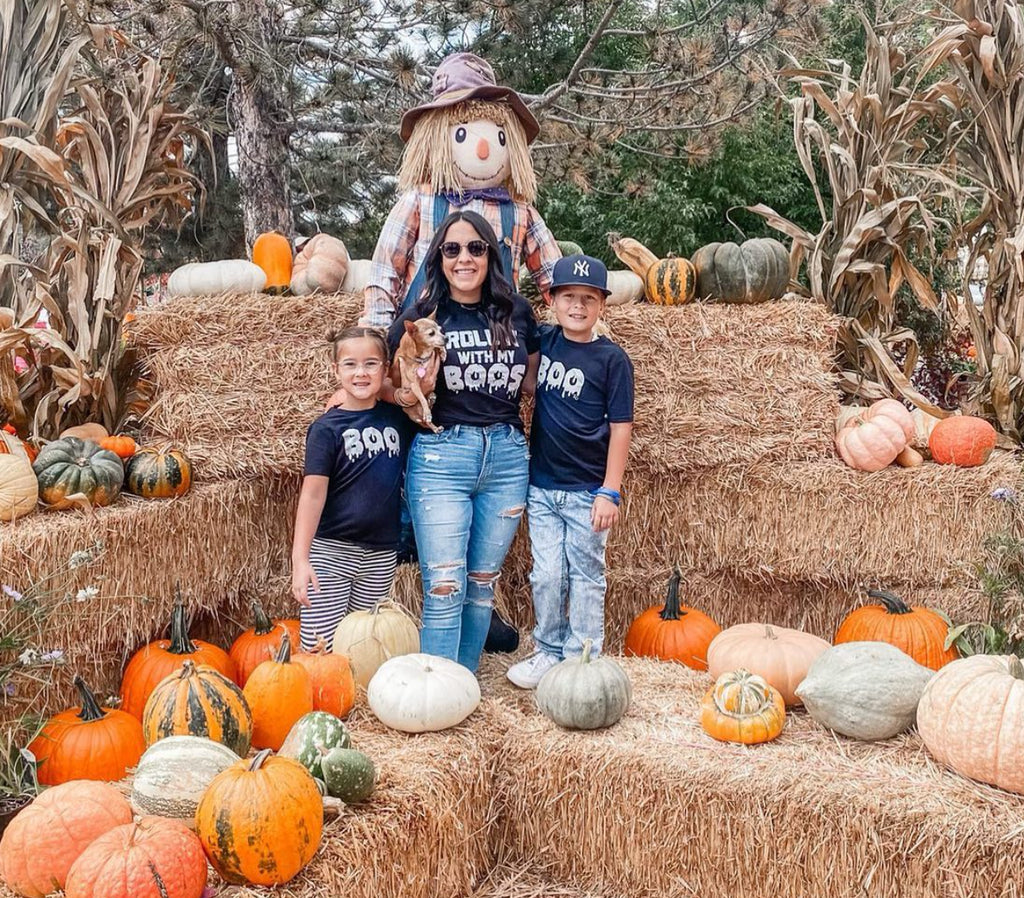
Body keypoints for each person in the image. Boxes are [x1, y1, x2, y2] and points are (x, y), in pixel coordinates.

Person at [388, 209, 540, 672]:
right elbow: (382, 379)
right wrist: (408, 394)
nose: (464, 258)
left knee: (480, 586)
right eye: (451, 249)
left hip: (508, 458)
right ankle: (438, 689)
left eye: (475, 247)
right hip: (442, 456)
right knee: (443, 585)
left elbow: (534, 381)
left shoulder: (517, 313)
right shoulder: (419, 319)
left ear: (490, 254)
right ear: (439, 258)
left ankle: (464, 684)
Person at [507, 254, 635, 688]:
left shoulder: (612, 360)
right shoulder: (547, 342)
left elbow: (621, 429)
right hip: (542, 487)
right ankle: (547, 649)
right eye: (568, 298)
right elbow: (524, 366)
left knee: (585, 576)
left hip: (586, 492)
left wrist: (610, 491)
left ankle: (583, 656)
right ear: (553, 301)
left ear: (601, 304)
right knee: (545, 575)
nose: (577, 307)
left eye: (587, 299)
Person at [291, 327, 413, 651]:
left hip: (381, 553)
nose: (361, 372)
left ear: (385, 369)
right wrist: (300, 560)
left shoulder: (399, 420)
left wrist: (393, 390)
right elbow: (312, 495)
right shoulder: (325, 429)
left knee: (365, 647)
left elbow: (421, 394)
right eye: (350, 364)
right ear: (336, 370)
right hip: (331, 552)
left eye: (371, 363)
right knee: (322, 646)